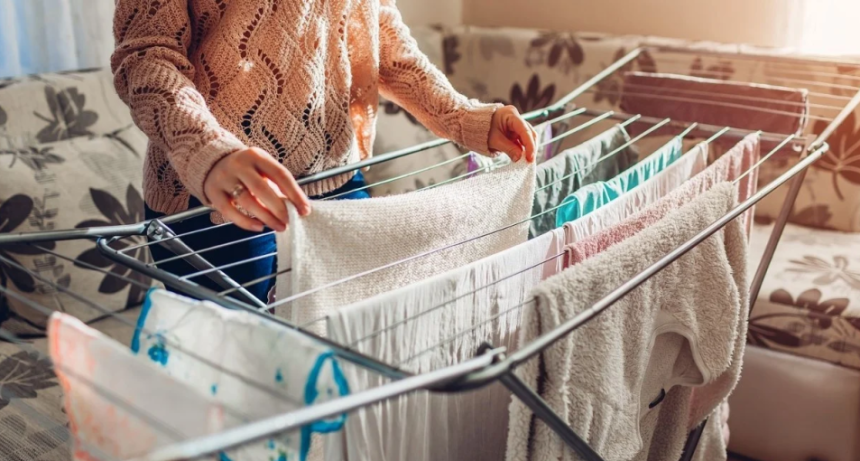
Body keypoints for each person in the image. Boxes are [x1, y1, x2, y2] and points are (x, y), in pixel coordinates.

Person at [112, 0, 538, 303]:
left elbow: (381, 37)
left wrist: (463, 116)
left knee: (351, 361)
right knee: (246, 382)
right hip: (221, 197)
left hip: (337, 181)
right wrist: (209, 150)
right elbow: (145, 57)